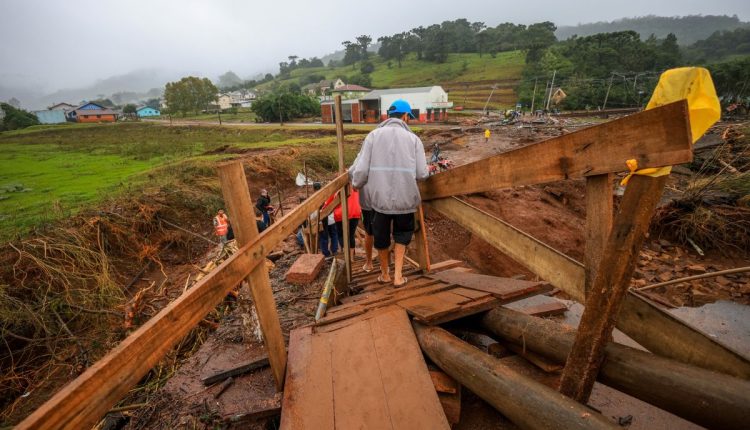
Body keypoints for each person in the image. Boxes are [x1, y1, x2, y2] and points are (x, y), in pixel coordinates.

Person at [349, 99, 429, 287]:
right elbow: (422, 174)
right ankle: (398, 276)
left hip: (380, 202)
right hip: (405, 199)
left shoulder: (373, 136)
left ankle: (385, 274)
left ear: (388, 116)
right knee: (402, 235)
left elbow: (360, 170)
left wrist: (356, 184)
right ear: (405, 117)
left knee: (381, 237)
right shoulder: (414, 140)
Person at [322, 187, 361, 261]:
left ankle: (346, 256)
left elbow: (328, 202)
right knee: (351, 235)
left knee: (341, 235)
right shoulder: (355, 187)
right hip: (355, 212)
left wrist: (323, 209)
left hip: (341, 214)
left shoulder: (337, 189)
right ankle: (351, 258)